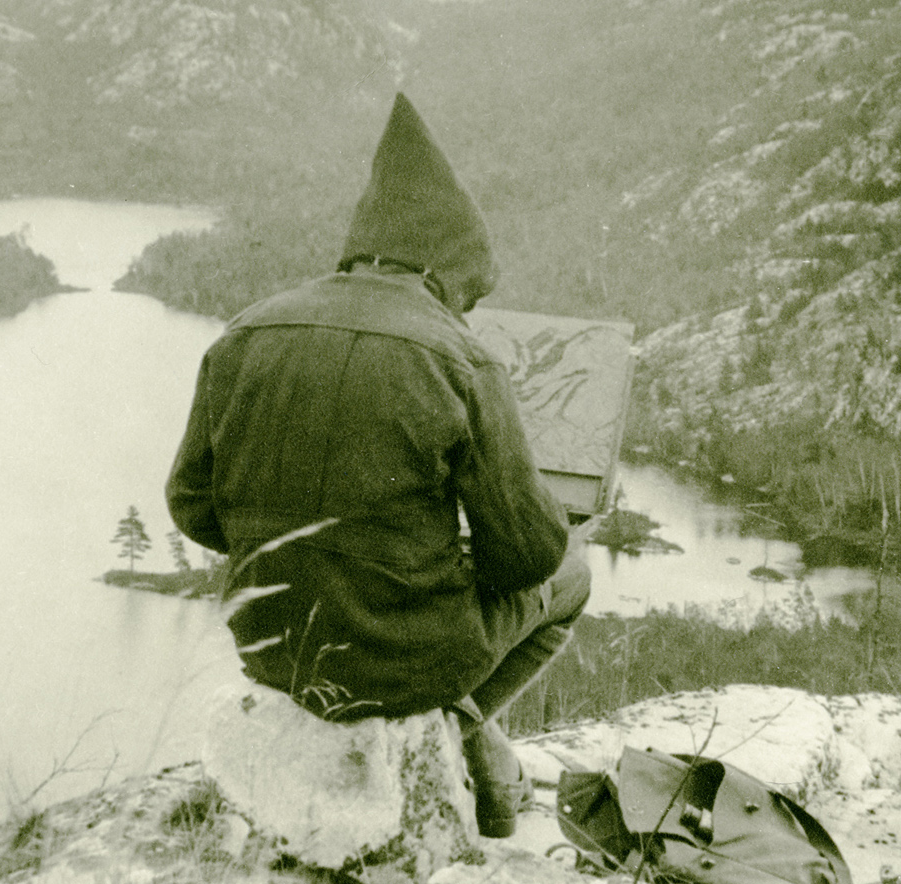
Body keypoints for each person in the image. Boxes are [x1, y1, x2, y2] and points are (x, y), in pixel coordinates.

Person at [166, 93, 591, 838]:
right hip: (403, 659)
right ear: (449, 268)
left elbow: (193, 508)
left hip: (273, 650)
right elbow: (527, 556)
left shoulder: (246, 331)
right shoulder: (463, 357)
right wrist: (435, 553)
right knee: (573, 575)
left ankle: (457, 737)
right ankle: (457, 733)